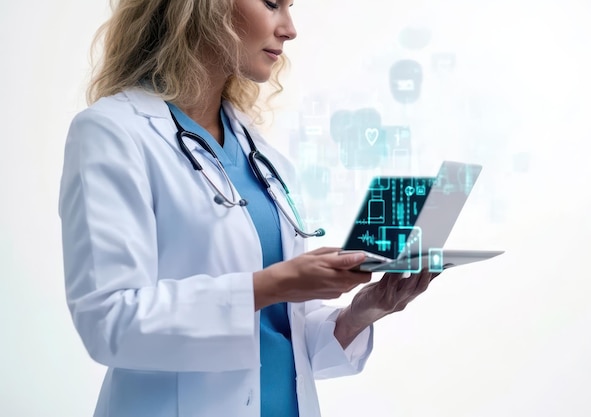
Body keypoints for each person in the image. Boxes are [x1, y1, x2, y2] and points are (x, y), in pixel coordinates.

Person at [58, 0, 437, 416]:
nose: (290, 29)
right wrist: (269, 285)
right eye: (272, 4)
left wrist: (361, 313)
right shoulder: (113, 132)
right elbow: (108, 323)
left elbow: (280, 336)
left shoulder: (263, 156)